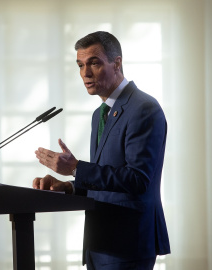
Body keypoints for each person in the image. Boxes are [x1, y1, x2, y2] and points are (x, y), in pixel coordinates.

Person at [33, 31, 170, 270]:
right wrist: (69, 186)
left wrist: (76, 168)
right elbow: (107, 178)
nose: (85, 73)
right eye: (80, 65)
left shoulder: (144, 108)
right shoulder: (100, 114)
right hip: (100, 243)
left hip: (129, 244)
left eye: (94, 63)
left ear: (116, 63)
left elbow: (137, 179)